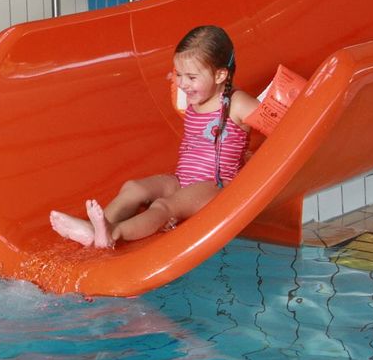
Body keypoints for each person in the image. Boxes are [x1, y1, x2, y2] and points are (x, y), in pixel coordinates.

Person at [50, 25, 259, 249]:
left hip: (214, 187)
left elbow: (283, 133)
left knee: (163, 207)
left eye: (191, 77)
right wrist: (181, 77)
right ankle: (95, 230)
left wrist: (252, 162)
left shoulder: (238, 104)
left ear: (220, 75)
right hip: (182, 180)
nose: (182, 83)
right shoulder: (194, 94)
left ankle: (113, 233)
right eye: (179, 74)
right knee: (134, 188)